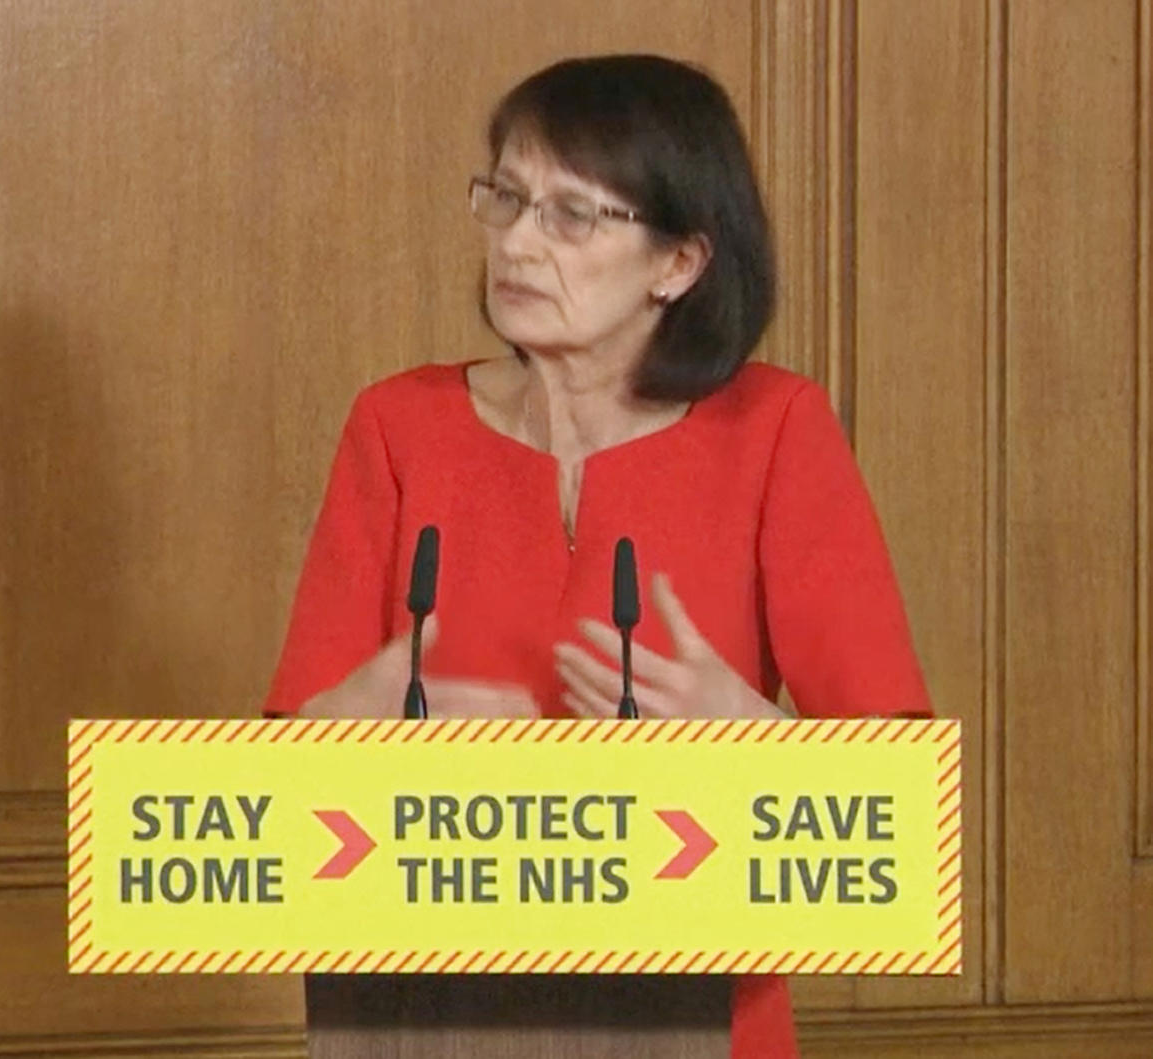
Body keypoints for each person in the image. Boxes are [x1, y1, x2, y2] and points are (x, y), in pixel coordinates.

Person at [264, 53, 932, 1059]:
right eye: (509, 199)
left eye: (573, 216)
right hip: (423, 1018)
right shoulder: (399, 426)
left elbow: (901, 807)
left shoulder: (774, 431)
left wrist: (758, 739)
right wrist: (344, 726)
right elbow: (264, 799)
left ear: (680, 263)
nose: (519, 244)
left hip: (702, 1020)